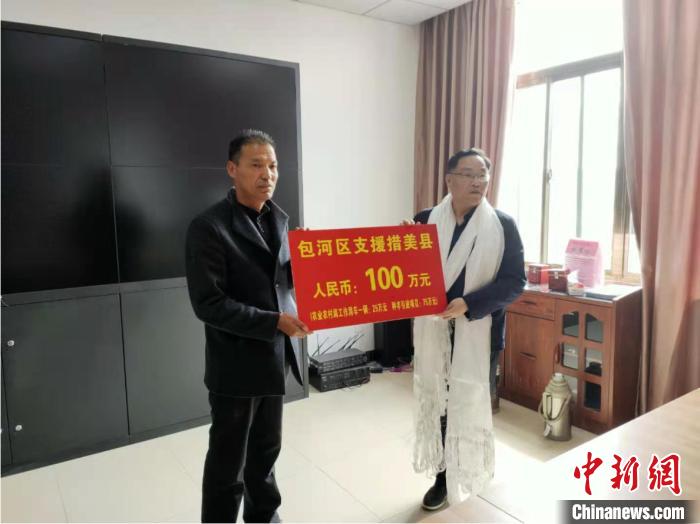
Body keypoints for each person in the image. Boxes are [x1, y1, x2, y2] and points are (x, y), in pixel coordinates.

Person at [185, 129, 311, 523]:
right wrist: (275, 322)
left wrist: (312, 268)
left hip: (274, 359)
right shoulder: (209, 227)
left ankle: (265, 518)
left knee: (265, 453)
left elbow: (283, 281)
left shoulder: (279, 219)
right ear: (232, 169)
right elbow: (209, 304)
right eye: (256, 165)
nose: (267, 174)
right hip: (236, 365)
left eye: (273, 166)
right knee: (228, 466)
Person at [406, 148, 525, 510]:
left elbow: (514, 282)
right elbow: (408, 276)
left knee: (469, 402)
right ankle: (443, 478)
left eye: (483, 175)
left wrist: (470, 303)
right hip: (434, 332)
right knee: (440, 405)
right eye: (469, 174)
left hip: (478, 331)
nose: (477, 182)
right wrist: (403, 247)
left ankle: (471, 473)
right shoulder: (426, 220)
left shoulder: (502, 226)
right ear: (450, 180)